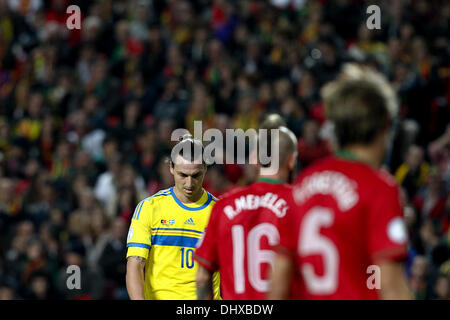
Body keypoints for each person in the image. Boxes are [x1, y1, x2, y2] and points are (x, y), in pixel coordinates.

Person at [269, 64, 413, 300]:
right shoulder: (380, 187)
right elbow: (392, 287)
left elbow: (278, 282)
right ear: (386, 124)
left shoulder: (302, 184)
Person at [194, 125, 298, 299]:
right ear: (291, 161)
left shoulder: (224, 206)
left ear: (255, 159)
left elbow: (202, 277)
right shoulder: (299, 202)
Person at [125, 135, 221, 300]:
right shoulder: (150, 208)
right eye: (183, 175)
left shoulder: (220, 213)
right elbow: (135, 264)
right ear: (171, 167)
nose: (189, 183)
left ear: (205, 168)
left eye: (196, 175)